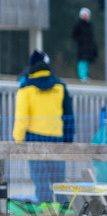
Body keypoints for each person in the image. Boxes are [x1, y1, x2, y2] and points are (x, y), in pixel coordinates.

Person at [12, 50, 75, 204]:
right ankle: (63, 210)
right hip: (57, 137)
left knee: (41, 180)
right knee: (59, 180)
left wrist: (18, 140)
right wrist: (67, 140)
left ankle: (45, 211)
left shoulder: (25, 88)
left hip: (34, 138)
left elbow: (21, 117)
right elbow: (68, 116)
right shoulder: (60, 86)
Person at [70, 7, 98, 81]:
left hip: (88, 47)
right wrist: (81, 41)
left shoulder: (89, 24)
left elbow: (91, 37)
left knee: (86, 62)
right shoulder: (78, 24)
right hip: (82, 47)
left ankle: (85, 75)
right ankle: (82, 77)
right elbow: (74, 35)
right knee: (82, 61)